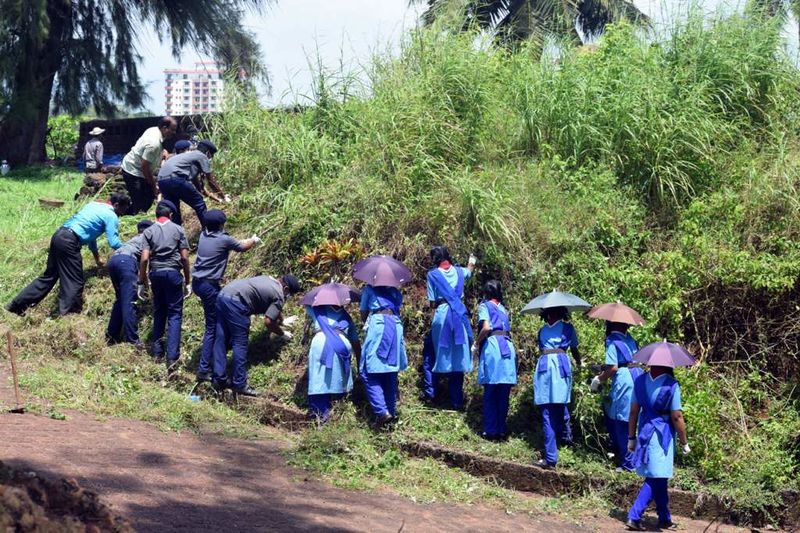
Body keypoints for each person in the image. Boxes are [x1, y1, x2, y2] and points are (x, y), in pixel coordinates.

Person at [6, 193, 130, 316]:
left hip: (59, 236)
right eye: (121, 212)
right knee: (74, 280)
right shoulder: (111, 215)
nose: (121, 215)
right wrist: (130, 249)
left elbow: (91, 234)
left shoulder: (93, 205)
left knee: (48, 277)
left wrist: (97, 257)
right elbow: (113, 242)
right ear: (117, 205)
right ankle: (69, 315)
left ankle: (15, 306)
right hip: (69, 242)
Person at [192, 210, 260, 383]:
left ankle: (215, 360)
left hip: (198, 283)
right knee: (212, 327)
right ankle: (205, 369)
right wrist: (253, 240)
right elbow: (242, 247)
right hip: (209, 286)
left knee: (215, 324)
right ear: (222, 225)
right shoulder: (223, 239)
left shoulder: (203, 236)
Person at [212, 274, 302, 396]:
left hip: (223, 295)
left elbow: (273, 307)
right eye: (290, 294)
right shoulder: (279, 294)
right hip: (237, 304)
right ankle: (240, 384)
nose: (288, 297)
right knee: (240, 344)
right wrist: (282, 333)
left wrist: (282, 321)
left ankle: (218, 379)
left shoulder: (268, 279)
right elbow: (268, 322)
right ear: (286, 289)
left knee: (221, 339)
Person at [625, 366, 689, 531]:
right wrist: (684, 442)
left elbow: (633, 412)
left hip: (644, 430)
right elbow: (677, 416)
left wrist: (631, 438)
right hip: (662, 435)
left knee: (660, 476)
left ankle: (664, 518)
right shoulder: (671, 385)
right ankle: (634, 516)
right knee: (655, 477)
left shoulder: (639, 381)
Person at [138, 200, 190, 372]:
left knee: (159, 311)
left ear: (156, 216)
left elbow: (144, 259)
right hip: (173, 274)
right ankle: (172, 357)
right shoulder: (178, 229)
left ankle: (157, 351)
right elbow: (184, 258)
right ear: (171, 215)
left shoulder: (149, 231)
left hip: (156, 274)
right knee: (175, 314)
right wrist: (188, 281)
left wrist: (142, 282)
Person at [424, 245, 476, 410]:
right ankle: (457, 401)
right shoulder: (461, 272)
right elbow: (470, 270)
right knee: (458, 359)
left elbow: (432, 303)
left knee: (431, 353)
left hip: (442, 315)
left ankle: (431, 394)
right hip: (459, 316)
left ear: (435, 260)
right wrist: (471, 261)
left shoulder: (432, 275)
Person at [590, 321, 644, 472]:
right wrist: (602, 368)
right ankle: (634, 458)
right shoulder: (631, 339)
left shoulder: (612, 340)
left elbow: (613, 367)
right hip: (637, 376)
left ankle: (628, 464)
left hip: (624, 381)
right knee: (633, 418)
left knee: (621, 420)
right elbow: (626, 361)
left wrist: (598, 379)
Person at [533, 306, 580, 469]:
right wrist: (580, 363)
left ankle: (551, 457)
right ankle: (566, 438)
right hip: (562, 367)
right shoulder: (568, 329)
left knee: (547, 412)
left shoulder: (542, 331)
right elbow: (574, 348)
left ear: (546, 314)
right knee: (561, 404)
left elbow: (540, 348)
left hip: (545, 367)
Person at [473, 280, 517, 441]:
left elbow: (486, 327)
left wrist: (477, 343)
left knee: (491, 391)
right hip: (507, 347)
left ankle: (490, 430)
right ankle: (501, 429)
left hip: (493, 347)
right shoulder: (504, 309)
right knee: (503, 392)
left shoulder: (485, 306)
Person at [359, 283, 408, 425]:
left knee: (368, 371)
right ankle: (391, 413)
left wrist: (369, 323)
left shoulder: (369, 289)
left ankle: (382, 412)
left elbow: (363, 312)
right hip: (396, 325)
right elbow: (397, 306)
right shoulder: (395, 292)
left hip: (379, 325)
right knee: (390, 371)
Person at [307, 304, 361, 421]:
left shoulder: (318, 310)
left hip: (321, 342)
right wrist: (359, 363)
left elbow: (306, 304)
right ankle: (338, 411)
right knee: (339, 379)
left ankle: (321, 415)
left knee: (320, 380)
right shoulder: (346, 316)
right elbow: (356, 342)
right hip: (342, 345)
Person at [106, 219, 153, 348]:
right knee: (129, 301)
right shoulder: (148, 238)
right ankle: (133, 340)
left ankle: (111, 336)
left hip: (113, 261)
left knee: (121, 299)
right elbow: (146, 260)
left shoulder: (133, 240)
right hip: (126, 263)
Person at [157, 139, 221, 226]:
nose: (210, 158)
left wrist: (201, 192)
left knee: (174, 209)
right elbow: (211, 181)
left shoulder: (188, 157)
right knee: (199, 203)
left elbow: (196, 182)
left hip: (162, 181)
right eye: (211, 155)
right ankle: (208, 230)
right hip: (175, 179)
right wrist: (223, 196)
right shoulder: (201, 156)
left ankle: (176, 233)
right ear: (207, 152)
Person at [120, 116, 177, 215]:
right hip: (133, 171)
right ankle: (127, 215)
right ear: (164, 128)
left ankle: (136, 213)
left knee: (149, 197)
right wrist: (154, 185)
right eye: (172, 130)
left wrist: (162, 152)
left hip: (139, 169)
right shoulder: (154, 144)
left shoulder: (154, 130)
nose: (174, 133)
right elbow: (145, 167)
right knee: (140, 202)